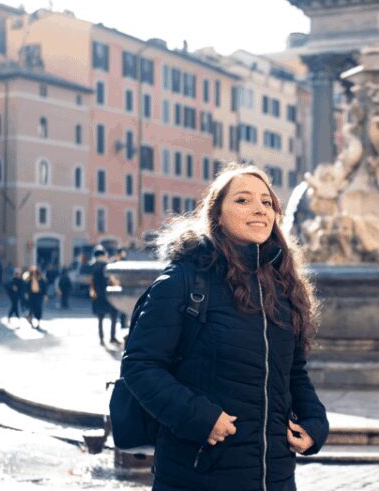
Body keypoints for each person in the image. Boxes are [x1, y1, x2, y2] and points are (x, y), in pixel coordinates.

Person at [122, 162, 329, 491]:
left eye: (267, 202)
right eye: (243, 200)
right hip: (199, 475)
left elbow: (295, 371)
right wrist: (199, 418)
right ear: (216, 215)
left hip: (274, 476)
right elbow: (140, 366)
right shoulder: (183, 280)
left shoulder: (283, 287)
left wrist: (315, 422)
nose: (259, 209)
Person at [83, 246, 119, 345]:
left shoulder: (92, 266)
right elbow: (112, 279)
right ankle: (112, 337)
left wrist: (92, 290)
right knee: (114, 315)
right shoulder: (107, 265)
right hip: (109, 294)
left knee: (100, 317)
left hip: (97, 295)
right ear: (103, 255)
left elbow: (89, 280)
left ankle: (101, 339)